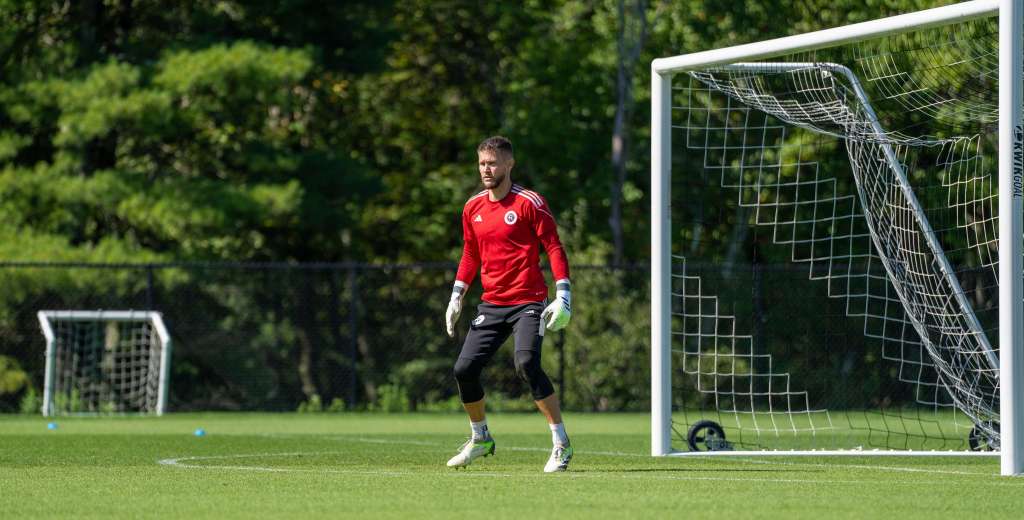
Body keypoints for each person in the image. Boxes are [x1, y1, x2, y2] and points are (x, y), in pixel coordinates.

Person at [444, 136, 573, 473]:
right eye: (482, 163)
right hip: (492, 303)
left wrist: (564, 294)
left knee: (526, 362)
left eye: (493, 163)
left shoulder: (530, 202)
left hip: (528, 302)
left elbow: (554, 247)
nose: (487, 169)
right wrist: (457, 294)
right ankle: (480, 438)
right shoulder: (472, 207)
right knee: (464, 370)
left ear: (509, 164)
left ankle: (561, 443)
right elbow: (471, 254)